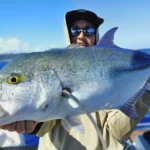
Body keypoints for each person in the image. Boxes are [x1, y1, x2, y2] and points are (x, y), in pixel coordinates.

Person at [1, 9, 150, 150]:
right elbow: (46, 121)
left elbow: (117, 131)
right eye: (75, 30)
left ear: (96, 34)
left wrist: (146, 90)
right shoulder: (55, 66)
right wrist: (31, 121)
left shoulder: (108, 72)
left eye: (89, 30)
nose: (81, 36)